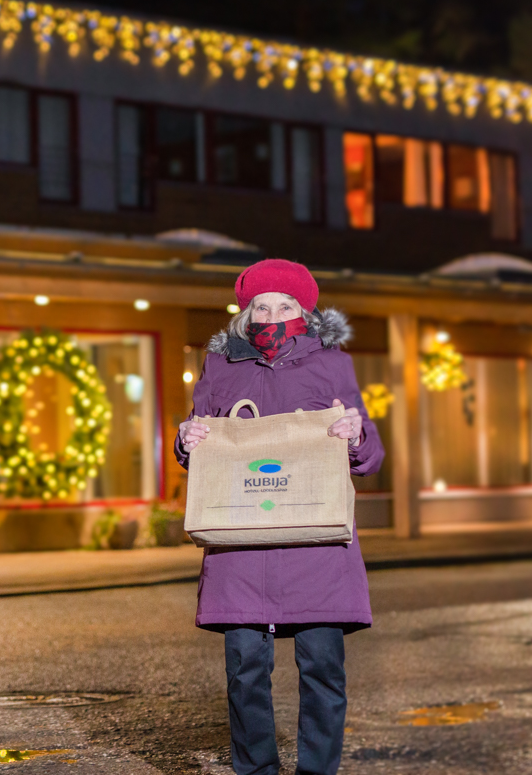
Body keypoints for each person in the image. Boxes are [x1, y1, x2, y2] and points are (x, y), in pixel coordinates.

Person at [175, 259, 383, 775]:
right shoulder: (220, 365)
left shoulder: (332, 364)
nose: (271, 313)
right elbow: (201, 436)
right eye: (260, 306)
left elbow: (370, 456)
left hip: (317, 543)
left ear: (304, 311)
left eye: (284, 304)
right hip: (241, 543)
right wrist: (187, 441)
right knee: (245, 673)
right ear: (246, 313)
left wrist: (356, 435)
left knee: (322, 670)